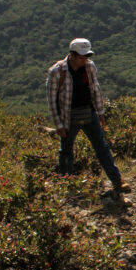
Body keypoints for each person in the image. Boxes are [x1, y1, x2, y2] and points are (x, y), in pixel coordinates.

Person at [46, 38, 129, 198]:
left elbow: (95, 89)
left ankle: (117, 180)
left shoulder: (89, 67)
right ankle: (66, 185)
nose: (85, 59)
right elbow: (52, 101)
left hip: (88, 112)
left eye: (87, 56)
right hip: (68, 115)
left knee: (102, 147)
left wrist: (100, 112)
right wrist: (59, 124)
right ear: (72, 55)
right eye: (82, 56)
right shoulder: (56, 72)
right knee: (66, 151)